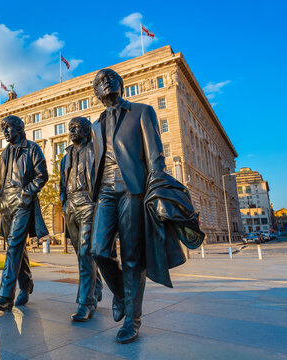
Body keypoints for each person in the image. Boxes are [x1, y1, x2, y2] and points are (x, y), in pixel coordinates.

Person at [90, 68, 203, 344]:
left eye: (110, 77)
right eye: (99, 81)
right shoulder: (95, 125)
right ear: (96, 93)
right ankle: (120, 294)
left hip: (134, 189)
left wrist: (157, 192)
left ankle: (133, 319)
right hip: (105, 191)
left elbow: (155, 157)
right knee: (98, 250)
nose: (105, 81)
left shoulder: (141, 112)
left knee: (132, 256)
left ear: (121, 84)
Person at [0, 115, 49, 311]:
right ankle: (26, 283)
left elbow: (43, 175)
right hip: (6, 202)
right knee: (18, 247)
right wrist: (0, 198)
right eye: (3, 128)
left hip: (22, 201)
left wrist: (27, 192)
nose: (5, 131)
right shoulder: (4, 153)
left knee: (14, 246)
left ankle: (6, 296)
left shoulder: (32, 148)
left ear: (19, 128)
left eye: (8, 127)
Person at [59, 116, 103, 322]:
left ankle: (85, 303)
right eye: (70, 128)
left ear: (86, 131)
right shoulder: (66, 156)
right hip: (71, 205)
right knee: (82, 255)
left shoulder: (95, 150)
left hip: (88, 203)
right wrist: (64, 202)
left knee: (85, 252)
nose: (72, 130)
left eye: (76, 127)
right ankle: (97, 285)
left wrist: (97, 202)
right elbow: (61, 183)